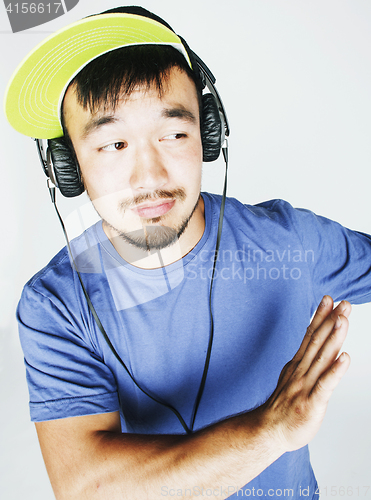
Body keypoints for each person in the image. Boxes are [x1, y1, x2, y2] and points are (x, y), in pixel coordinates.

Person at [4, 6, 370, 500]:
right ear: (69, 168)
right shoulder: (56, 304)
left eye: (174, 134)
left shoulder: (290, 242)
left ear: (207, 136)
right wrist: (273, 428)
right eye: (113, 145)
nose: (149, 175)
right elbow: (86, 486)